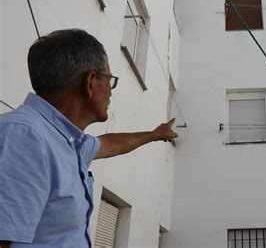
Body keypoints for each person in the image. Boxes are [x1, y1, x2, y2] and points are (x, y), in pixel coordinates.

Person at [0, 29, 178, 248]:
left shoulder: (67, 142)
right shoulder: (24, 137)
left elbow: (110, 144)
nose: (111, 92)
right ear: (91, 81)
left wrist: (155, 134)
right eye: (109, 81)